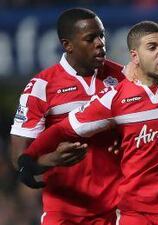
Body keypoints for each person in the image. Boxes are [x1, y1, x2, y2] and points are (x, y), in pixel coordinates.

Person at [17, 21, 158, 225]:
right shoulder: (115, 98)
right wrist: (29, 157)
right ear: (135, 56)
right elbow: (64, 129)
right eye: (152, 47)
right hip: (135, 213)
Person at [10, 8, 125, 225]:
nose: (100, 43)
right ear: (67, 45)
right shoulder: (41, 87)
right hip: (65, 214)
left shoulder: (123, 78)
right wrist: (51, 160)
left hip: (118, 212)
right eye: (90, 38)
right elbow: (19, 155)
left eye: (101, 35)